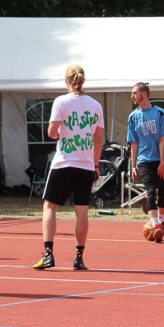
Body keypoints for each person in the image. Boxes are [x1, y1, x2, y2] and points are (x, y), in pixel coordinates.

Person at [32, 65, 104, 271]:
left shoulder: (61, 101)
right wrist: (95, 165)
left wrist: (61, 129)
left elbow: (52, 133)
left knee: (50, 206)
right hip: (85, 164)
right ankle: (79, 258)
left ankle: (48, 253)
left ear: (67, 81)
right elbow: (98, 140)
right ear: (83, 81)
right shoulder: (96, 105)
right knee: (82, 211)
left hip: (64, 162)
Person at [127, 82, 164, 241]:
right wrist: (133, 166)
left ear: (144, 94)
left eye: (134, 93)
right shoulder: (133, 117)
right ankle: (155, 226)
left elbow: (163, 139)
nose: (132, 96)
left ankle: (163, 224)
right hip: (144, 160)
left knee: (162, 193)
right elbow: (133, 143)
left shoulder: (160, 113)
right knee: (151, 191)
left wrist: (162, 163)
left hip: (161, 159)